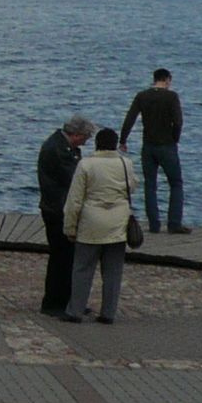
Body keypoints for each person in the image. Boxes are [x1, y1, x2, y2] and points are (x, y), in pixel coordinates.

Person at [62, 127, 138, 324]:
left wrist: (70, 227)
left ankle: (75, 311)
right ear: (114, 145)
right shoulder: (125, 163)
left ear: (97, 144)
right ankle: (108, 313)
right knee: (113, 270)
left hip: (91, 222)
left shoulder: (86, 165)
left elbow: (75, 200)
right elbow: (133, 186)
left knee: (82, 268)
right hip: (118, 222)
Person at [119, 67, 189, 234]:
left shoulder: (142, 96)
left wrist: (123, 140)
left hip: (148, 146)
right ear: (167, 79)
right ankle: (174, 224)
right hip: (167, 145)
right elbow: (178, 121)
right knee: (176, 183)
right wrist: (175, 138)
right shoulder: (171, 97)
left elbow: (130, 118)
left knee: (150, 185)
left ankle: (154, 225)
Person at [35, 115, 92, 316]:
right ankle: (54, 303)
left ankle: (67, 300)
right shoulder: (58, 150)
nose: (86, 141)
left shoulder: (62, 146)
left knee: (66, 257)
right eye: (85, 137)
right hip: (57, 209)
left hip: (58, 207)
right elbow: (74, 177)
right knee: (61, 257)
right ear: (76, 134)